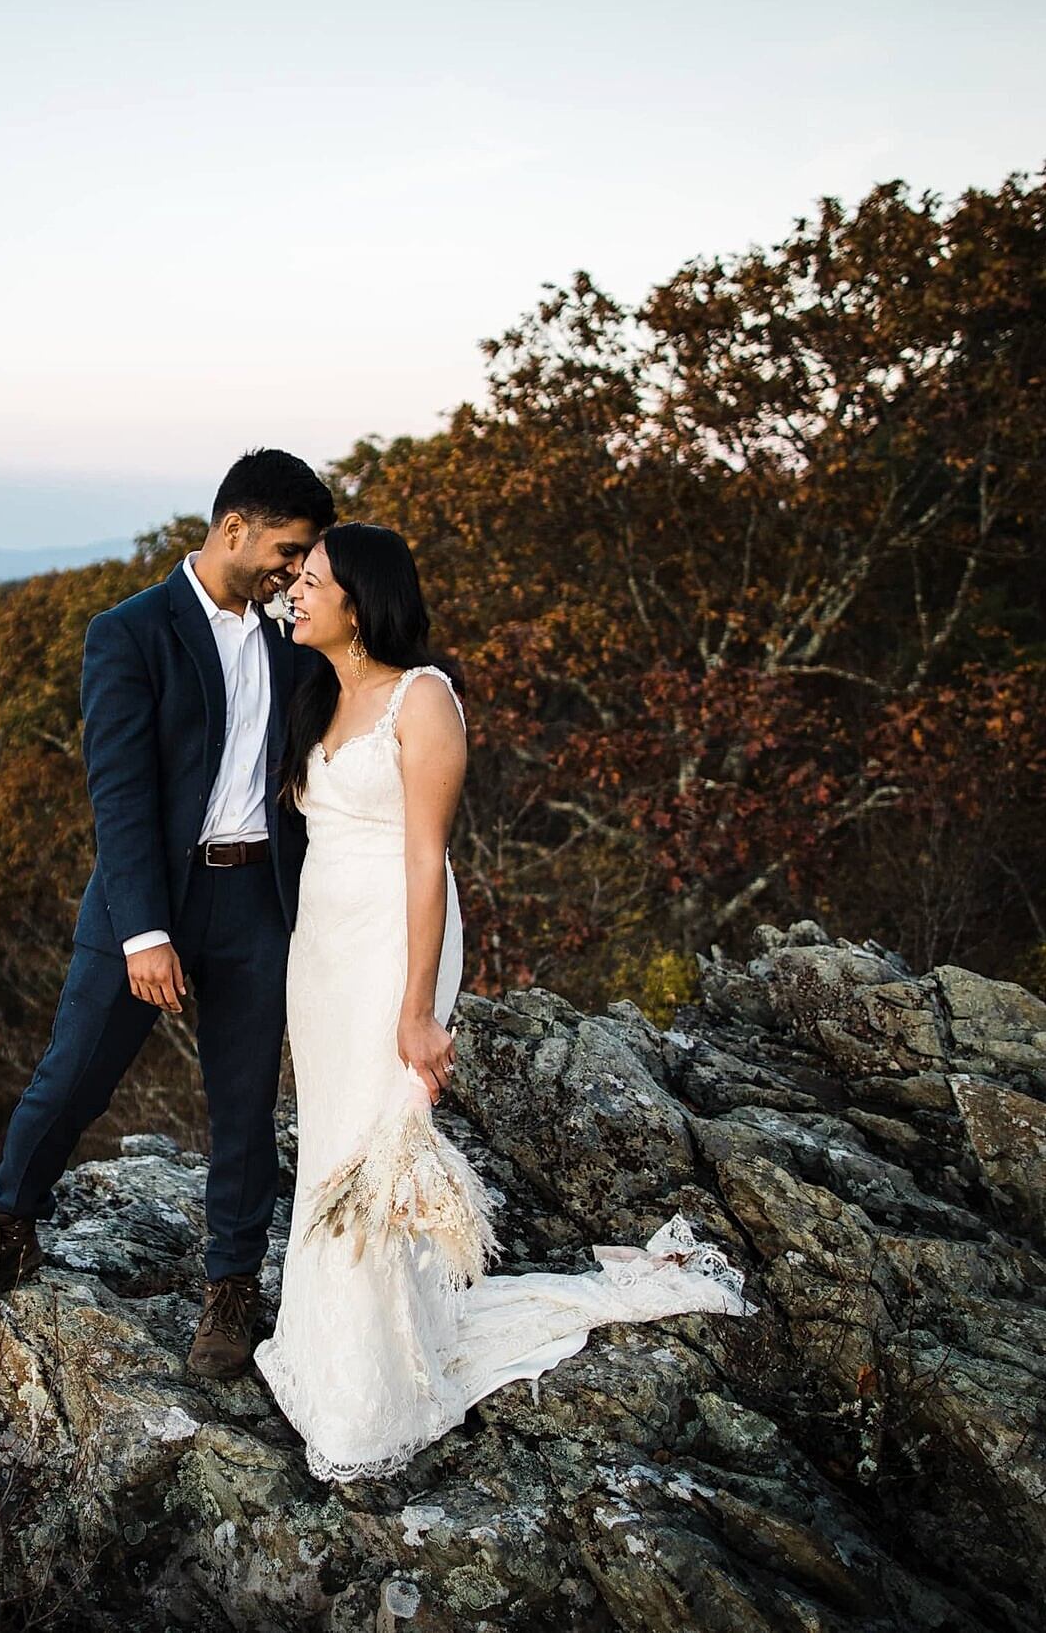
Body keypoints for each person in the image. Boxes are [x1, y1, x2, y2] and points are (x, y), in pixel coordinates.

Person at [249, 522, 754, 1482]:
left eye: (310, 583)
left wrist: (415, 1010)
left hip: (395, 949)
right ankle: (333, 1350)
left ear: (360, 601)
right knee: (332, 1145)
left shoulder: (422, 697)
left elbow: (426, 860)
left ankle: (375, 1395)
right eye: (295, 583)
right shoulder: (318, 691)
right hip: (321, 953)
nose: (293, 596)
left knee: (377, 1144)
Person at [0, 448, 332, 1380]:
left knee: (243, 1108)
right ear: (233, 527)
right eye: (285, 548)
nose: (292, 569)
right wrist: (143, 931)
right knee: (70, 1077)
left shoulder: (292, 641)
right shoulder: (129, 631)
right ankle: (6, 1231)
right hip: (145, 898)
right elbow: (118, 792)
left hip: (261, 903)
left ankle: (230, 1290)